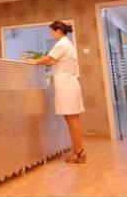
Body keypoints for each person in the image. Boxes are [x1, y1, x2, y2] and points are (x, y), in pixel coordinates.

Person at [28, 20, 86, 164]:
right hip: (70, 83)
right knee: (72, 119)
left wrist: (33, 62)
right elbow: (51, 61)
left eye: (52, 31)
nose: (51, 34)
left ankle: (80, 152)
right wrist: (39, 61)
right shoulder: (67, 44)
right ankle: (79, 151)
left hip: (67, 85)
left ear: (58, 30)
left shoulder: (62, 44)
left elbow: (48, 59)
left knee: (72, 119)